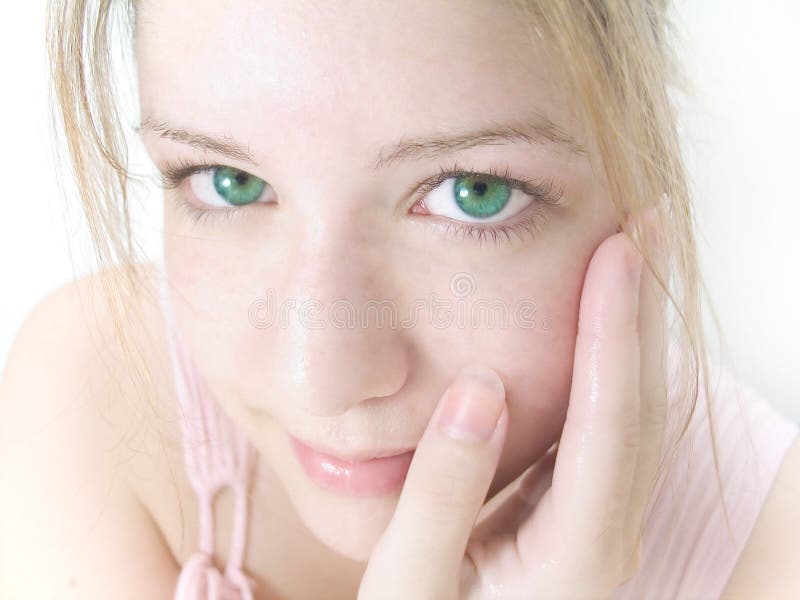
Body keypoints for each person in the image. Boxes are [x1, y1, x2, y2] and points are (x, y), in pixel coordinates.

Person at [1, 1, 798, 598]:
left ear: (640, 172)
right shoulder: (94, 404)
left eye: (472, 194)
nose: (323, 380)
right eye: (228, 184)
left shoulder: (772, 552)